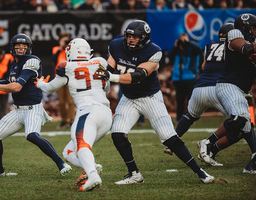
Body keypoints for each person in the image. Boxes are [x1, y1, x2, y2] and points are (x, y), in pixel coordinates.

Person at [97, 20, 215, 184]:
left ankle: (200, 172)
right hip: (129, 98)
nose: (131, 39)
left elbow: (137, 76)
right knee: (117, 134)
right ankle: (135, 174)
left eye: (135, 37)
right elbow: (109, 67)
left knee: (169, 138)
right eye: (129, 36)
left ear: (144, 39)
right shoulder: (116, 46)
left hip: (150, 97)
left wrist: (112, 77)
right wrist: (101, 75)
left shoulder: (154, 51)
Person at [0, 33, 72, 177]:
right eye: (18, 46)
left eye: (24, 46)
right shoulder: (14, 63)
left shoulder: (32, 61)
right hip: (18, 110)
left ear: (28, 48)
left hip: (33, 108)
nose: (21, 48)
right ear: (12, 47)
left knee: (32, 135)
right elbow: (10, 80)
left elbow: (16, 87)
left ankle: (61, 164)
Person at [36, 38, 112, 191]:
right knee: (69, 152)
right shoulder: (100, 62)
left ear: (70, 51)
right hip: (106, 114)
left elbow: (50, 88)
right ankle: (92, 167)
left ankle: (92, 175)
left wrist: (40, 84)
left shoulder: (67, 67)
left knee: (82, 146)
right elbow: (107, 88)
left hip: (88, 112)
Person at [163, 23, 234, 167]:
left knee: (190, 112)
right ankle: (209, 145)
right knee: (238, 120)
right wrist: (177, 45)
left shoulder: (199, 46)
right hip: (205, 85)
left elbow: (200, 58)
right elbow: (170, 56)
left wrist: (187, 43)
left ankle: (174, 140)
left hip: (194, 82)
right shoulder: (230, 48)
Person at [199, 13, 256, 174]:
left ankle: (249, 164)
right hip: (228, 85)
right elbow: (246, 49)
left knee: (244, 127)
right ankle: (207, 142)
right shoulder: (235, 33)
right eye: (253, 28)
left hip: (241, 89)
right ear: (245, 27)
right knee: (241, 118)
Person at [169, 33, 204, 122]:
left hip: (190, 77)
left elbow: (199, 50)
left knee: (191, 100)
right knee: (179, 100)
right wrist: (175, 46)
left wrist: (188, 43)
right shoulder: (177, 49)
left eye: (184, 39)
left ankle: (191, 118)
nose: (183, 42)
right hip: (178, 78)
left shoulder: (192, 49)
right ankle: (179, 119)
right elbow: (169, 57)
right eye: (181, 39)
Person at [51, 32, 76, 129]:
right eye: (63, 40)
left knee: (71, 101)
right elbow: (53, 59)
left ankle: (72, 120)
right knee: (61, 102)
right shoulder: (56, 49)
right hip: (59, 78)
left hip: (70, 77)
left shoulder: (71, 50)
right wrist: (61, 48)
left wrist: (67, 48)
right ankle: (64, 121)